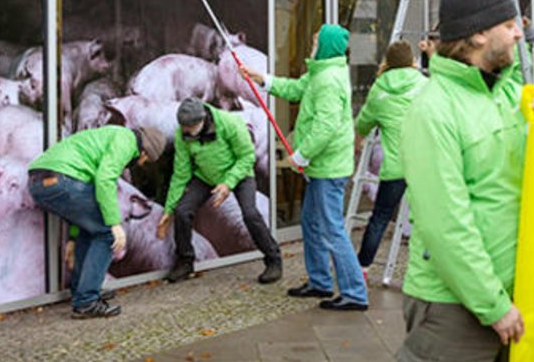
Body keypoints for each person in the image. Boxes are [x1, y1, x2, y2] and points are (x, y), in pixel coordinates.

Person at [397, 0, 534, 362]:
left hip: (520, 301)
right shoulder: (433, 110)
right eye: (511, 23)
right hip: (453, 308)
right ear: (479, 33)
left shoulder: (509, 93)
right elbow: (446, 224)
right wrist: (492, 305)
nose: (521, 33)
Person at [242, 24, 369, 311]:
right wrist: (262, 79)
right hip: (321, 166)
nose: (311, 45)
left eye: (315, 41)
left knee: (331, 229)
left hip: (328, 168)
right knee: (312, 223)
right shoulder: (320, 73)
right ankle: (321, 282)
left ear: (325, 45)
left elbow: (326, 126)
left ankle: (354, 293)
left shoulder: (328, 79)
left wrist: (300, 156)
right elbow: (296, 88)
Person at [28, 125, 167, 318]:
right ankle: (86, 301)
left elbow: (86, 210)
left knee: (91, 231)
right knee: (106, 234)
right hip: (63, 180)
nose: (141, 163)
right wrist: (115, 224)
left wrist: (72, 238)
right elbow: (105, 179)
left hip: (40, 181)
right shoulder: (126, 141)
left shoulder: (110, 135)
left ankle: (83, 290)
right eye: (145, 159)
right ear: (144, 150)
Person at [157, 98, 282, 284]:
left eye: (189, 128)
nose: (185, 132)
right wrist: (168, 210)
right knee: (182, 211)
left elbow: (247, 157)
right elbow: (181, 174)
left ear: (201, 121)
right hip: (206, 177)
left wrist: (228, 183)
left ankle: (273, 260)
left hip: (238, 174)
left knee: (250, 214)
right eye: (183, 128)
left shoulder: (229, 123)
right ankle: (185, 261)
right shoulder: (182, 134)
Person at [354, 41, 427, 273]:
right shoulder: (425, 85)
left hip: (395, 167)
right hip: (423, 165)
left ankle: (362, 269)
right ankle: (430, 270)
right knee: (430, 219)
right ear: (411, 61)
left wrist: (359, 140)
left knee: (380, 218)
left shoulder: (379, 88)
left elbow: (363, 122)